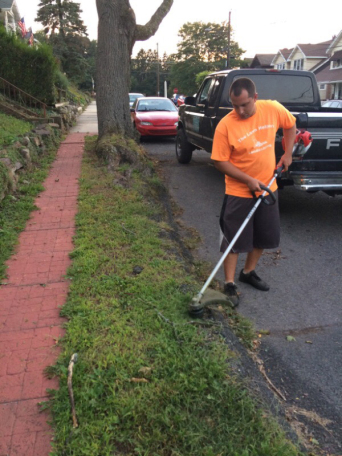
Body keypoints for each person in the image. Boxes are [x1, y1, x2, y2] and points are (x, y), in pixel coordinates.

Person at [211, 77, 296, 306]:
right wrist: (248, 180)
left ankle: (248, 272)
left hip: (269, 187)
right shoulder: (226, 125)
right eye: (234, 105)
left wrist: (287, 153)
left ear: (255, 98)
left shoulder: (272, 109)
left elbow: (290, 125)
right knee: (234, 239)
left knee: (262, 235)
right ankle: (229, 283)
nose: (239, 110)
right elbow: (220, 162)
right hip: (239, 191)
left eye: (244, 105)